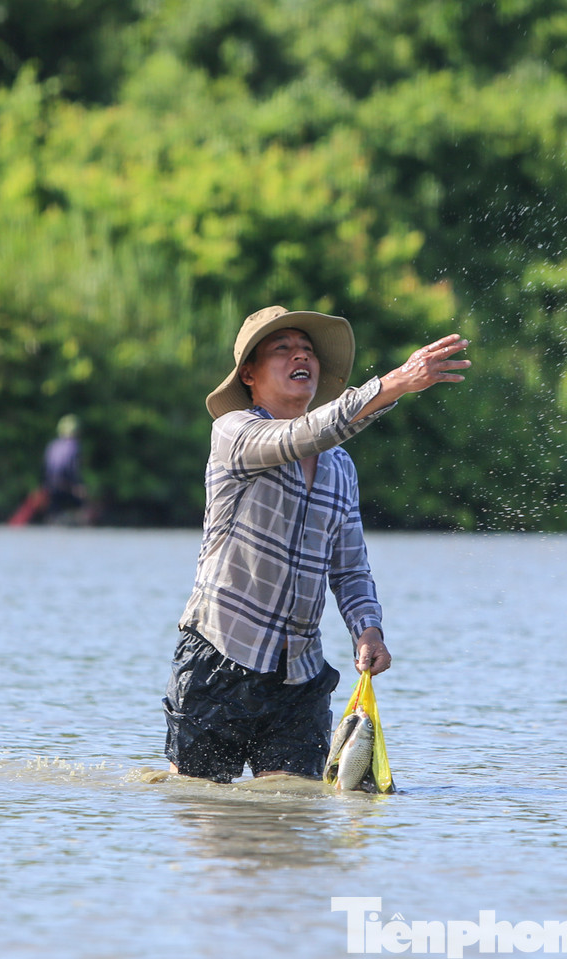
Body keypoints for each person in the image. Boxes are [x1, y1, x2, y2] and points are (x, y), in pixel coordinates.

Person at [164, 305, 470, 783]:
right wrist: (392, 385)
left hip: (299, 676)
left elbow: (349, 569)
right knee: (202, 811)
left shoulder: (340, 467)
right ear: (249, 374)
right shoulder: (232, 433)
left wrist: (368, 630)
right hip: (219, 658)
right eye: (282, 350)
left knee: (295, 816)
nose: (299, 357)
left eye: (306, 350)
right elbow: (301, 435)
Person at [42, 414, 88, 520]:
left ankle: (54, 520)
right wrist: (78, 484)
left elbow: (45, 466)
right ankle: (80, 521)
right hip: (64, 483)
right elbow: (71, 468)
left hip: (50, 484)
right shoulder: (74, 446)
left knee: (54, 509)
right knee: (81, 501)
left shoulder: (52, 445)